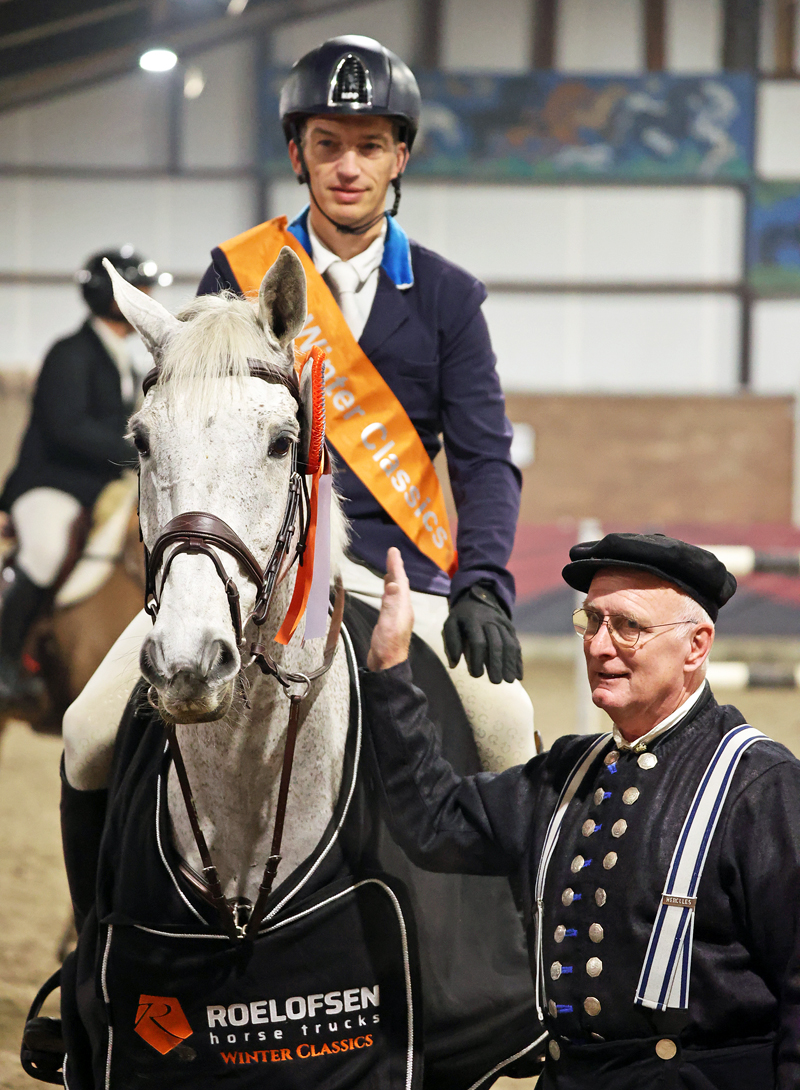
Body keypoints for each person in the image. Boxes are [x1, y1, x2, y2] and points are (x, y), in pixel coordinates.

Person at [63, 33, 533, 781]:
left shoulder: (450, 298)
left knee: (508, 729)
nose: (349, 167)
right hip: (254, 575)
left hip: (396, 574)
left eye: (370, 146)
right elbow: (195, 434)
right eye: (328, 144)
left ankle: (524, 903)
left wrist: (482, 583)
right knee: (86, 737)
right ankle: (103, 907)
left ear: (399, 158)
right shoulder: (236, 271)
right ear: (297, 154)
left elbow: (483, 460)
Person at [362, 532, 800, 1089]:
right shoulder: (568, 772)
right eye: (592, 621)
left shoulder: (761, 783)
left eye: (629, 626)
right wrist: (390, 668)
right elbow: (431, 821)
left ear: (696, 645)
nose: (598, 645)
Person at [0, 249, 157, 704]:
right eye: (138, 291)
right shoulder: (70, 352)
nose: (146, 299)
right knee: (47, 551)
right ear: (112, 299)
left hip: (101, 486)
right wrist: (135, 452)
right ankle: (6, 661)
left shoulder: (124, 362)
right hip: (52, 485)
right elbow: (68, 428)